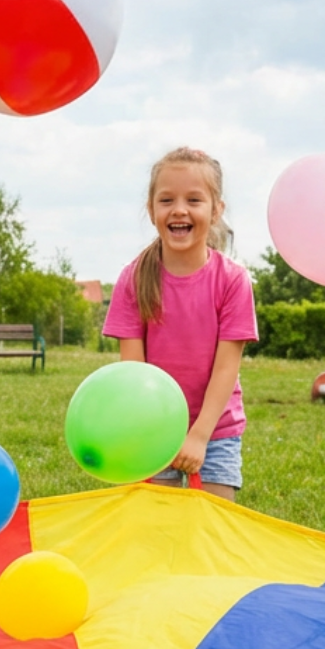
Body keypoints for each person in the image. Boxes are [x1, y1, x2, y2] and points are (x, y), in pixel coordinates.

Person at [101, 147, 258, 501]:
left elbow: (226, 369)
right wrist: (155, 431)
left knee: (216, 525)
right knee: (157, 527)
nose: (179, 210)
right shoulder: (134, 278)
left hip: (216, 429)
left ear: (216, 210)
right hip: (152, 427)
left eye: (194, 200)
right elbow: (133, 370)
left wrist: (199, 435)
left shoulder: (233, 281)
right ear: (151, 209)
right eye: (166, 199)